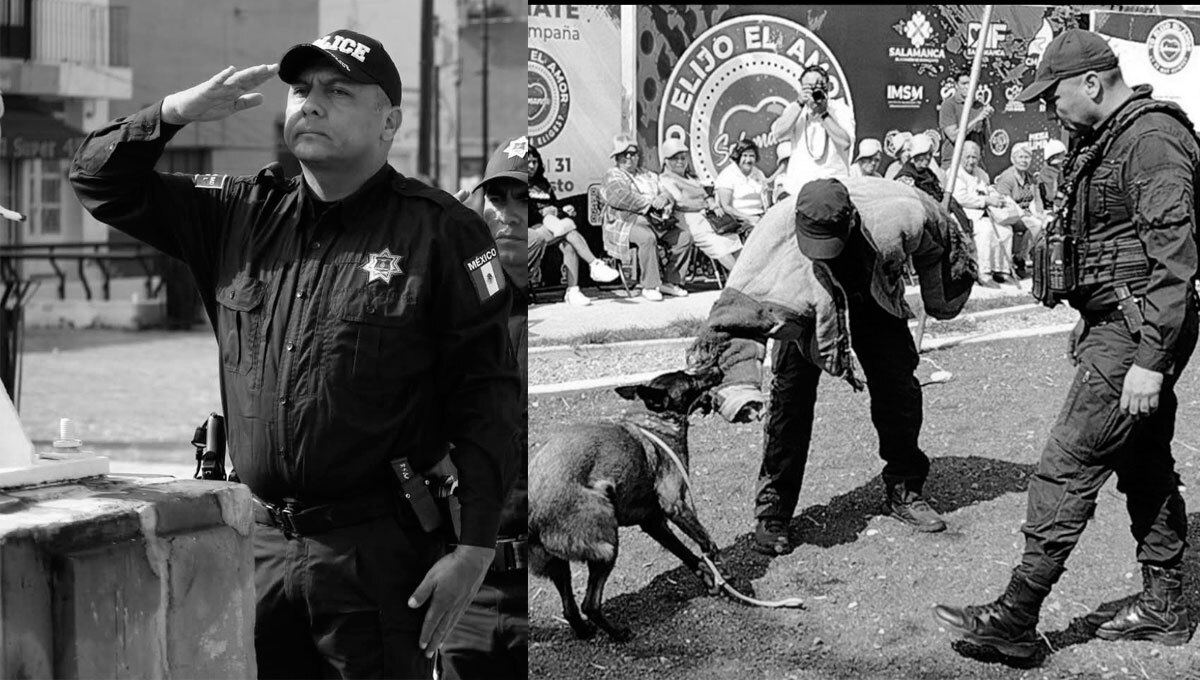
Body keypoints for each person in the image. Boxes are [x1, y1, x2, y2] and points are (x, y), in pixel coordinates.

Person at [69, 29, 521, 678]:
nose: (311, 103)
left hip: (378, 553)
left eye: (338, 92)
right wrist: (173, 114)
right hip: (260, 547)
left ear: (389, 121)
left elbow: (487, 395)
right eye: (302, 90)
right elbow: (98, 179)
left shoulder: (440, 231)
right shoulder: (239, 212)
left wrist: (474, 547)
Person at [935, 28, 1200, 659]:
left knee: (1067, 465)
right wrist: (1096, 311)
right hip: (1125, 325)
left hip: (1140, 335)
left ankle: (1016, 619)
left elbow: (1175, 262)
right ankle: (1165, 607)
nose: (1047, 108)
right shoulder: (1111, 139)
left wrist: (1147, 361)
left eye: (1052, 94)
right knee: (1143, 465)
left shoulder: (1152, 141)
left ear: (1091, 82)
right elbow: (1119, 249)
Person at [753, 178, 950, 556]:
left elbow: (942, 242)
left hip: (874, 297)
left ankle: (904, 489)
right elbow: (743, 305)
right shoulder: (772, 230)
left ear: (850, 222)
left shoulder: (895, 217)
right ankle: (773, 510)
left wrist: (939, 294)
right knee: (789, 401)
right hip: (804, 302)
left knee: (898, 389)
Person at [441, 137, 529, 680]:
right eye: (496, 198)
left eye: (524, 199)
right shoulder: (456, 310)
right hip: (463, 586)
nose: (509, 214)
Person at [600, 133, 693, 302]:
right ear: (617, 157)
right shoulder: (613, 175)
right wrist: (651, 203)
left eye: (633, 153)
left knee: (684, 237)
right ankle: (649, 286)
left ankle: (670, 282)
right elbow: (620, 197)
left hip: (655, 221)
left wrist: (665, 199)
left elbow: (666, 193)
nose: (629, 157)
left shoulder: (649, 175)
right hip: (624, 223)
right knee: (647, 238)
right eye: (625, 153)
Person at [526, 144, 619, 306]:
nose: (532, 166)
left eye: (534, 161)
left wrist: (563, 210)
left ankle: (574, 290)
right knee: (568, 230)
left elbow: (554, 205)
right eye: (528, 162)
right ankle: (593, 266)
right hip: (530, 231)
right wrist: (541, 213)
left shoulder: (543, 183)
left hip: (551, 226)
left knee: (568, 241)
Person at [769, 64, 856, 199]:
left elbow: (845, 142)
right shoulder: (795, 109)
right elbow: (778, 134)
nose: (813, 91)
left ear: (827, 87)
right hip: (799, 188)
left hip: (832, 188)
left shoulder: (840, 109)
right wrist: (799, 104)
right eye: (808, 87)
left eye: (817, 87)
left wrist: (823, 114)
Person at [658, 137, 741, 273]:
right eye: (675, 158)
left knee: (732, 239)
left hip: (708, 220)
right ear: (666, 160)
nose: (680, 162)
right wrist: (705, 205)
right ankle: (739, 280)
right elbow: (680, 202)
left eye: (683, 158)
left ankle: (749, 278)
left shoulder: (691, 177)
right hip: (689, 222)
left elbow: (706, 196)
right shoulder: (666, 179)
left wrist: (712, 203)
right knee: (718, 244)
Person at [953, 140, 1016, 286]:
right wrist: (986, 200)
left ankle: (1002, 271)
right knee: (986, 230)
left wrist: (995, 196)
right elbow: (960, 198)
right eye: (967, 157)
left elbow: (987, 189)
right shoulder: (955, 173)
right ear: (960, 156)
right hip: (964, 214)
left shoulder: (981, 173)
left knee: (1005, 230)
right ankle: (984, 272)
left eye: (974, 157)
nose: (971, 161)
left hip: (984, 213)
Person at [993, 142, 1047, 279]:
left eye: (1027, 157)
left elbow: (1037, 199)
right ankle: (1020, 258)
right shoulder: (1007, 177)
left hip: (1027, 213)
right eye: (1021, 157)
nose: (1024, 160)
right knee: (1035, 225)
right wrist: (1027, 215)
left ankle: (1026, 258)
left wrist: (1040, 213)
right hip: (1010, 214)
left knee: (1044, 223)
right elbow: (1005, 202)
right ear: (1013, 159)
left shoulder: (1030, 178)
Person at [939, 71, 994, 172]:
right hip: (954, 164)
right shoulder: (948, 105)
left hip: (975, 165)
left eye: (971, 83)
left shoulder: (980, 106)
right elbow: (954, 136)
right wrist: (977, 119)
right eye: (964, 83)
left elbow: (986, 140)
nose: (968, 87)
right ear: (956, 85)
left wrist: (987, 119)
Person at [714, 139, 771, 228]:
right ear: (738, 156)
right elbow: (726, 207)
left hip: (760, 217)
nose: (748, 160)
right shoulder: (727, 175)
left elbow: (766, 200)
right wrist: (749, 218)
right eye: (745, 155)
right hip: (740, 221)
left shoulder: (759, 173)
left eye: (751, 156)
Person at [1038, 138, 1068, 206]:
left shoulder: (1058, 170)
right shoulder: (1047, 172)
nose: (1064, 158)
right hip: (1051, 206)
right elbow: (1051, 194)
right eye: (1062, 155)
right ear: (1054, 157)